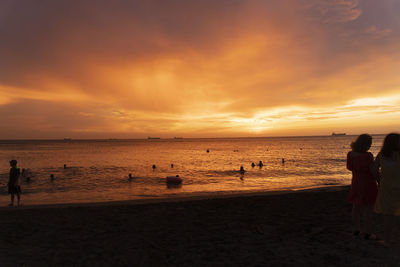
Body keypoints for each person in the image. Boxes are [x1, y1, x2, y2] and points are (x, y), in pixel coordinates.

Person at [346, 134, 378, 239]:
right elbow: (372, 171)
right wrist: (380, 180)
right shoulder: (368, 156)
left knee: (356, 207)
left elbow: (349, 167)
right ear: (365, 144)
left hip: (356, 183)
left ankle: (356, 229)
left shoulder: (350, 154)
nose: (370, 146)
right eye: (369, 144)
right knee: (368, 209)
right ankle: (368, 232)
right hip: (368, 184)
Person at [373, 133, 400, 247]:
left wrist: (379, 180)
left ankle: (388, 240)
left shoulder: (381, 155)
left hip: (386, 188)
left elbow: (374, 169)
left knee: (388, 215)